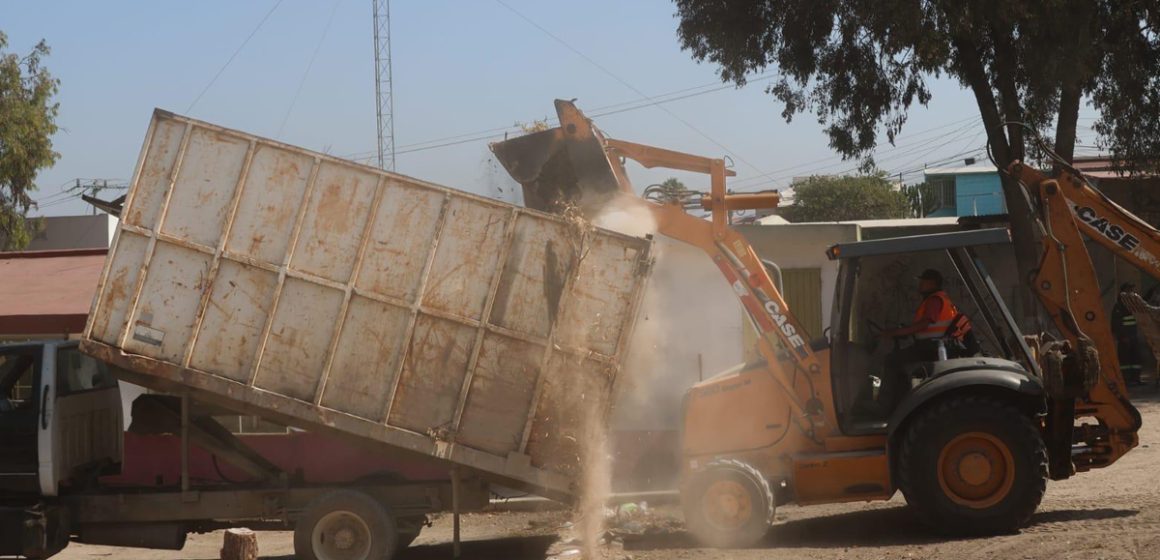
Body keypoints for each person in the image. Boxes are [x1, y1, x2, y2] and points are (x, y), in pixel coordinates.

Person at [875, 269, 974, 411]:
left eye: (923, 281)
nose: (920, 284)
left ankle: (885, 406)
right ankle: (898, 403)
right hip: (931, 347)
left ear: (932, 283)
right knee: (899, 363)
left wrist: (894, 332)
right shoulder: (940, 298)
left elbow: (924, 324)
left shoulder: (934, 300)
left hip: (930, 349)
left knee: (892, 361)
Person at [1112, 282, 1143, 386]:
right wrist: (1122, 336)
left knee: (1136, 358)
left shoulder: (1133, 305)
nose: (1131, 292)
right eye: (1129, 290)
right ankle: (1126, 380)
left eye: (1132, 290)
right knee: (1125, 359)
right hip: (1125, 337)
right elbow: (1116, 323)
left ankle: (1136, 378)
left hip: (1133, 336)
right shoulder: (1119, 306)